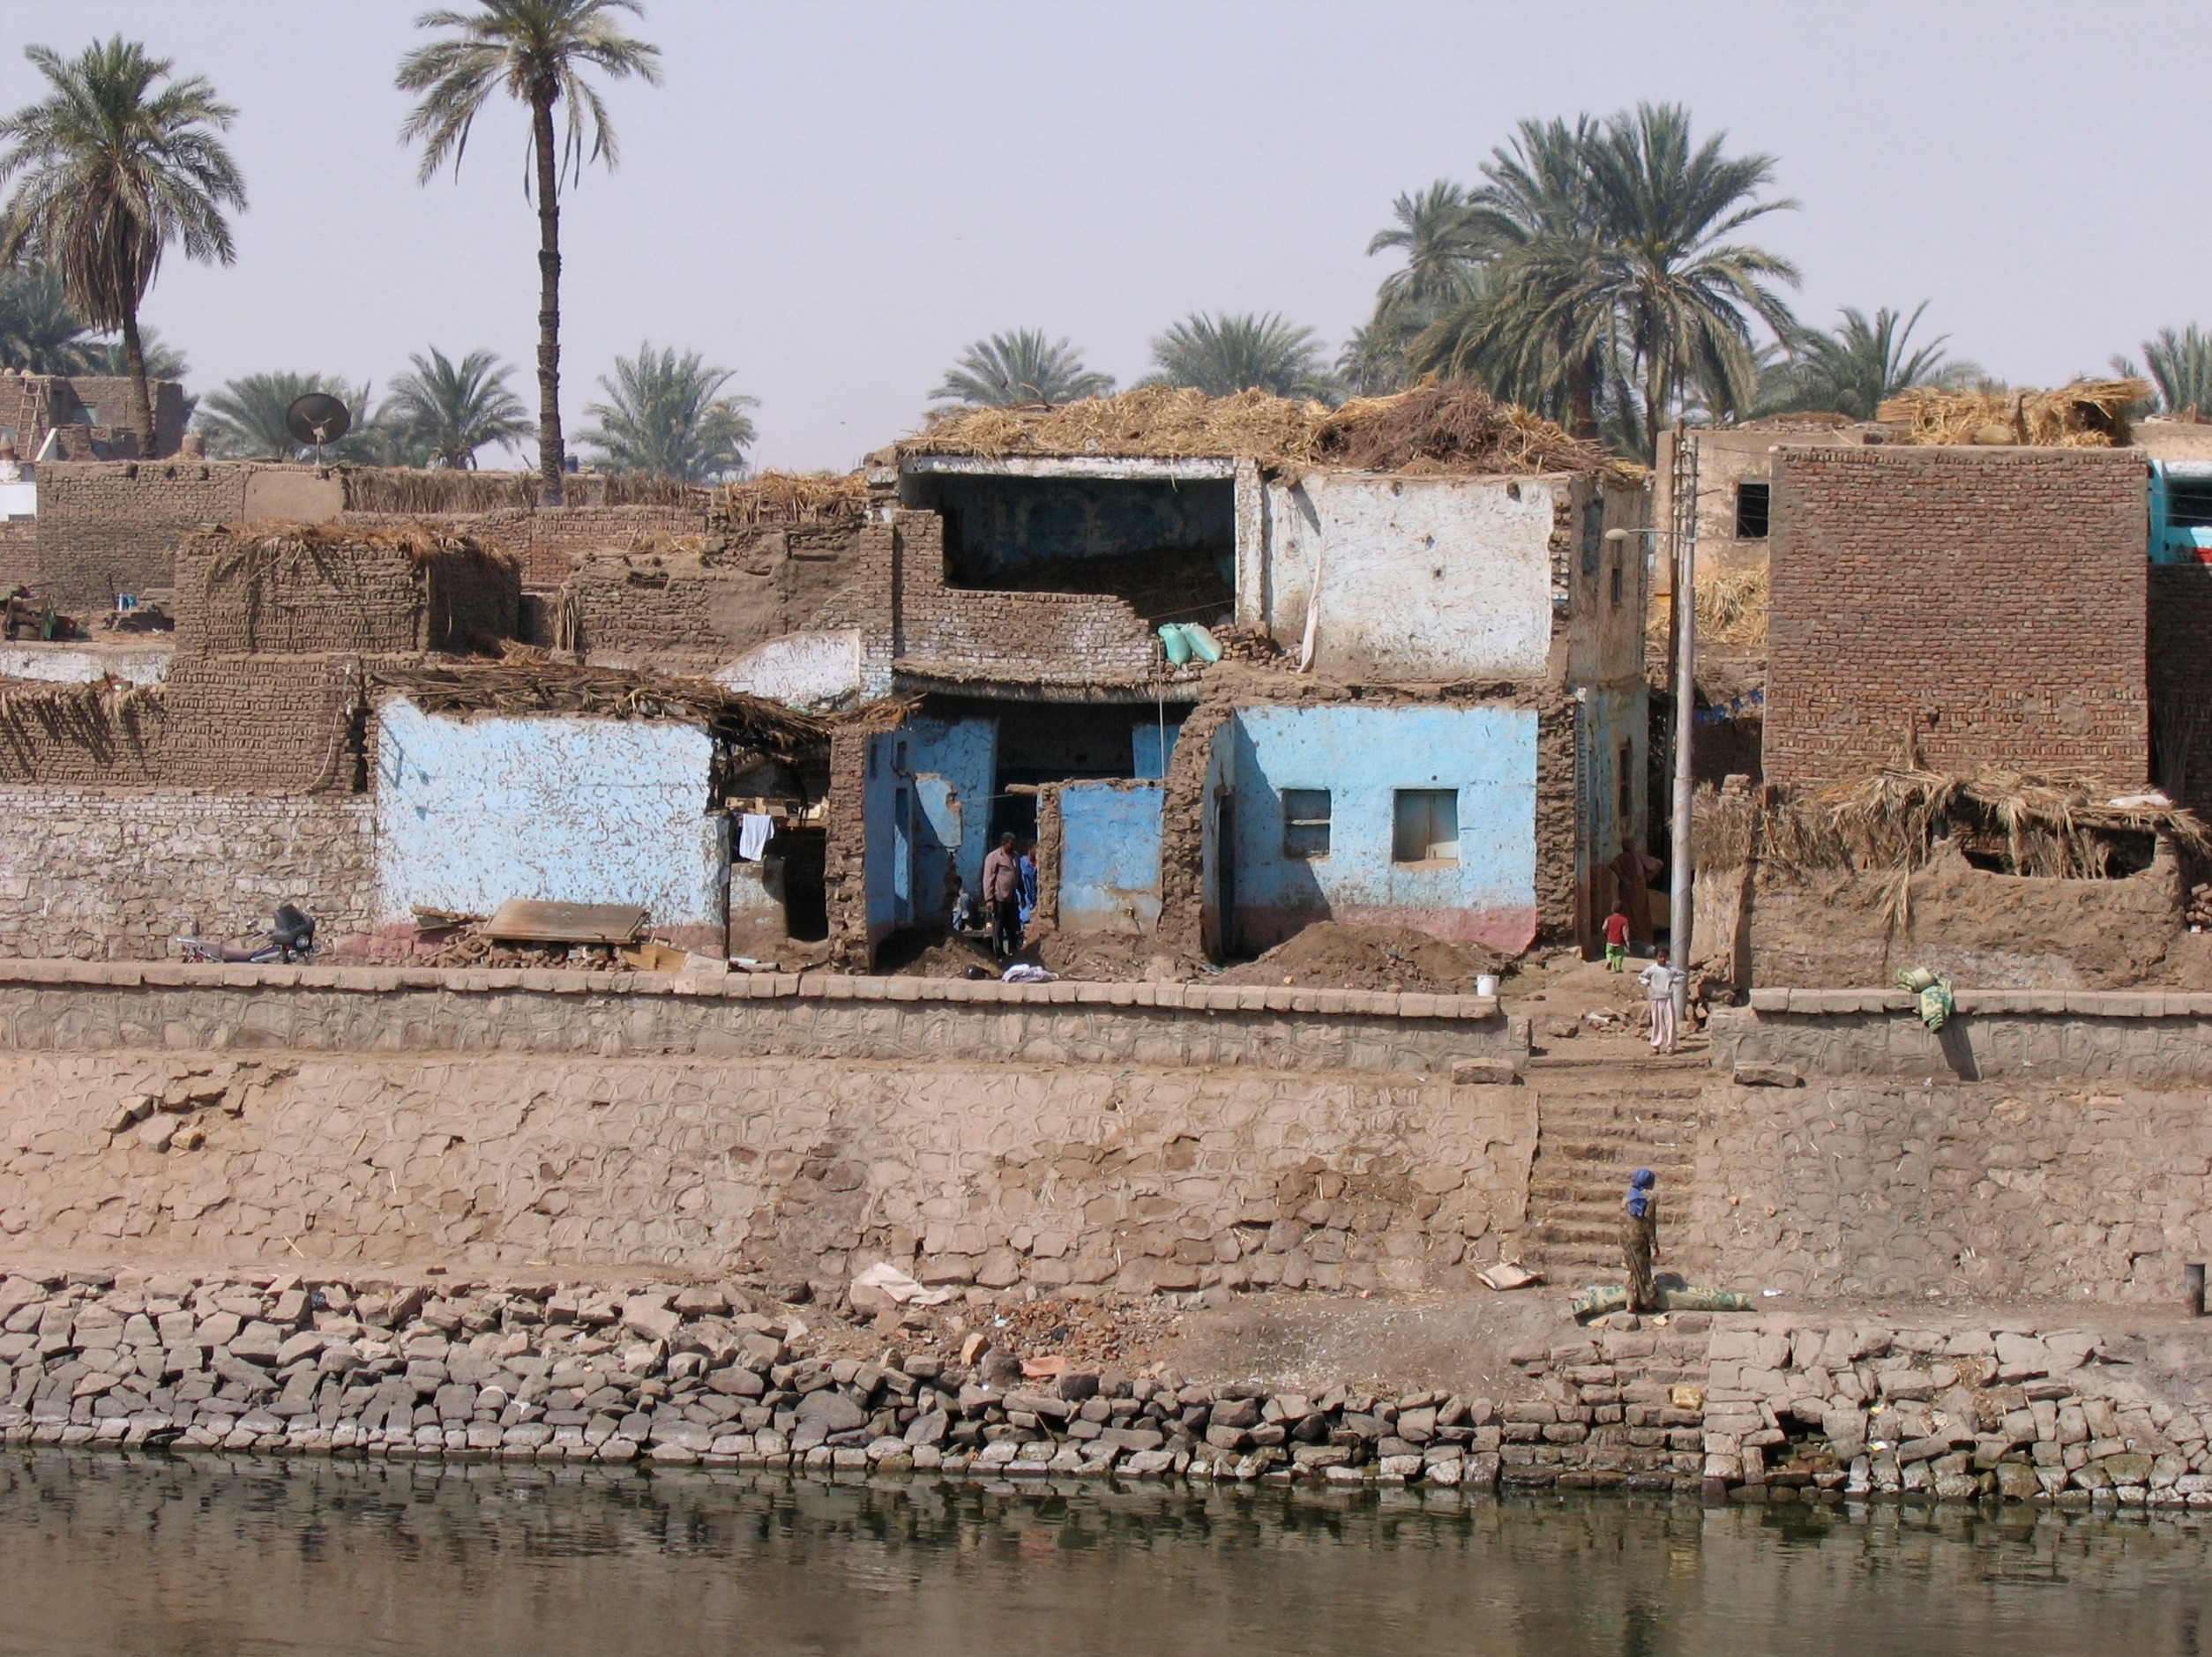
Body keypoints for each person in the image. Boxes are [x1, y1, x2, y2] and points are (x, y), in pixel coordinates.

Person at [1620, 1168, 1659, 1312]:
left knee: (1629, 1268)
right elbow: (1649, 1222)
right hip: (1639, 1236)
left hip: (1625, 1235)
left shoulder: (1629, 1194)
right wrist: (1654, 1244)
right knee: (1643, 1268)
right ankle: (1647, 1301)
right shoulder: (1649, 1198)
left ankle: (1630, 1300)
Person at [983, 831, 1023, 959]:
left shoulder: (1015, 856)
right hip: (998, 897)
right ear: (1004, 843)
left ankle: (1014, 952)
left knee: (1012, 926)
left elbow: (1017, 876)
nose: (1013, 846)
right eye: (1011, 843)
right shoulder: (994, 857)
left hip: (1012, 898)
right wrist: (989, 899)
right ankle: (999, 954)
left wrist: (1022, 894)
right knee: (998, 926)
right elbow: (988, 878)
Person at [1640, 947, 1684, 1054]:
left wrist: (1674, 980)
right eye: (1660, 957)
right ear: (1656, 957)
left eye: (1664, 957)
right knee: (1657, 1023)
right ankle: (1656, 1045)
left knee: (1670, 1022)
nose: (1662, 959)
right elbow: (1641, 977)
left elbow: (1682, 975)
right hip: (1656, 998)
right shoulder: (1652, 969)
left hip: (1668, 998)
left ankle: (1670, 1046)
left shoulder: (1671, 968)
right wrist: (1647, 983)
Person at [1016, 841, 1039, 929]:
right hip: (1023, 896)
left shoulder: (1037, 866)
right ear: (1030, 850)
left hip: (1033, 899)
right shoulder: (1021, 863)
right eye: (1035, 850)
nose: (1037, 852)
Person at [1603, 907, 1631, 972]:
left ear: (1612, 910)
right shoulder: (1624, 920)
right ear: (1622, 910)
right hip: (1619, 942)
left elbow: (1604, 928)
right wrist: (1627, 942)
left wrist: (1606, 933)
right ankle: (1618, 968)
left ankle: (1609, 960)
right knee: (1619, 955)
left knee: (1609, 952)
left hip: (1610, 940)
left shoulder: (1609, 919)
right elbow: (1625, 932)